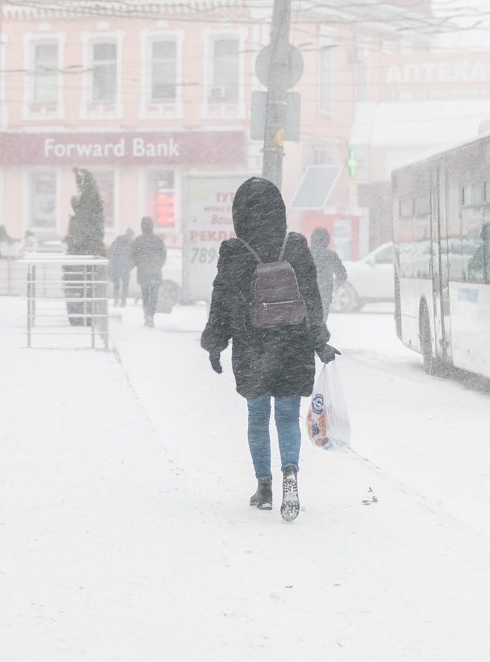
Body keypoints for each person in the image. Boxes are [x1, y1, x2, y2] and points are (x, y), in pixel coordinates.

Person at [200, 177, 338, 522]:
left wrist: (215, 344)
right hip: (292, 345)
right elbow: (311, 298)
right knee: (288, 417)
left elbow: (221, 302)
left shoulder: (233, 253)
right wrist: (319, 341)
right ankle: (290, 473)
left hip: (252, 349)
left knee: (258, 418)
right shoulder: (295, 246)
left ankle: (264, 487)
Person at [131, 217, 167, 327]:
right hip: (155, 272)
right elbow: (163, 255)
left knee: (145, 296)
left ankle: (147, 315)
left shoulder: (137, 240)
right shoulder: (158, 240)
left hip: (143, 273)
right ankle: (150, 315)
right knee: (153, 296)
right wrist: (158, 265)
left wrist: (139, 264)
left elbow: (133, 256)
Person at [310, 227, 348, 319]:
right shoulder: (331, 255)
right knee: (321, 320)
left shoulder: (305, 252)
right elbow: (342, 275)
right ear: (327, 240)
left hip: (307, 294)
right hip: (325, 294)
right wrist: (335, 285)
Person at [107, 228, 135, 307]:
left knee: (116, 285)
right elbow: (134, 256)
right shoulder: (132, 243)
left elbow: (110, 253)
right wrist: (131, 266)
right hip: (126, 267)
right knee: (125, 286)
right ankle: (123, 302)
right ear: (131, 234)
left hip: (116, 266)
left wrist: (112, 264)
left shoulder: (117, 241)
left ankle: (116, 301)